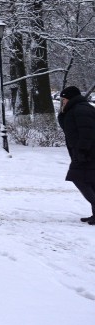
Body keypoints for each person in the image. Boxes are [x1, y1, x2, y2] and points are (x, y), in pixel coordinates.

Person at [57, 86, 95, 224]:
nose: (63, 102)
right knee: (90, 181)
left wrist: (82, 150)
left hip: (86, 153)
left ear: (70, 98)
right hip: (85, 152)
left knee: (78, 178)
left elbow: (87, 132)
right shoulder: (78, 109)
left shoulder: (80, 110)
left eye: (64, 99)